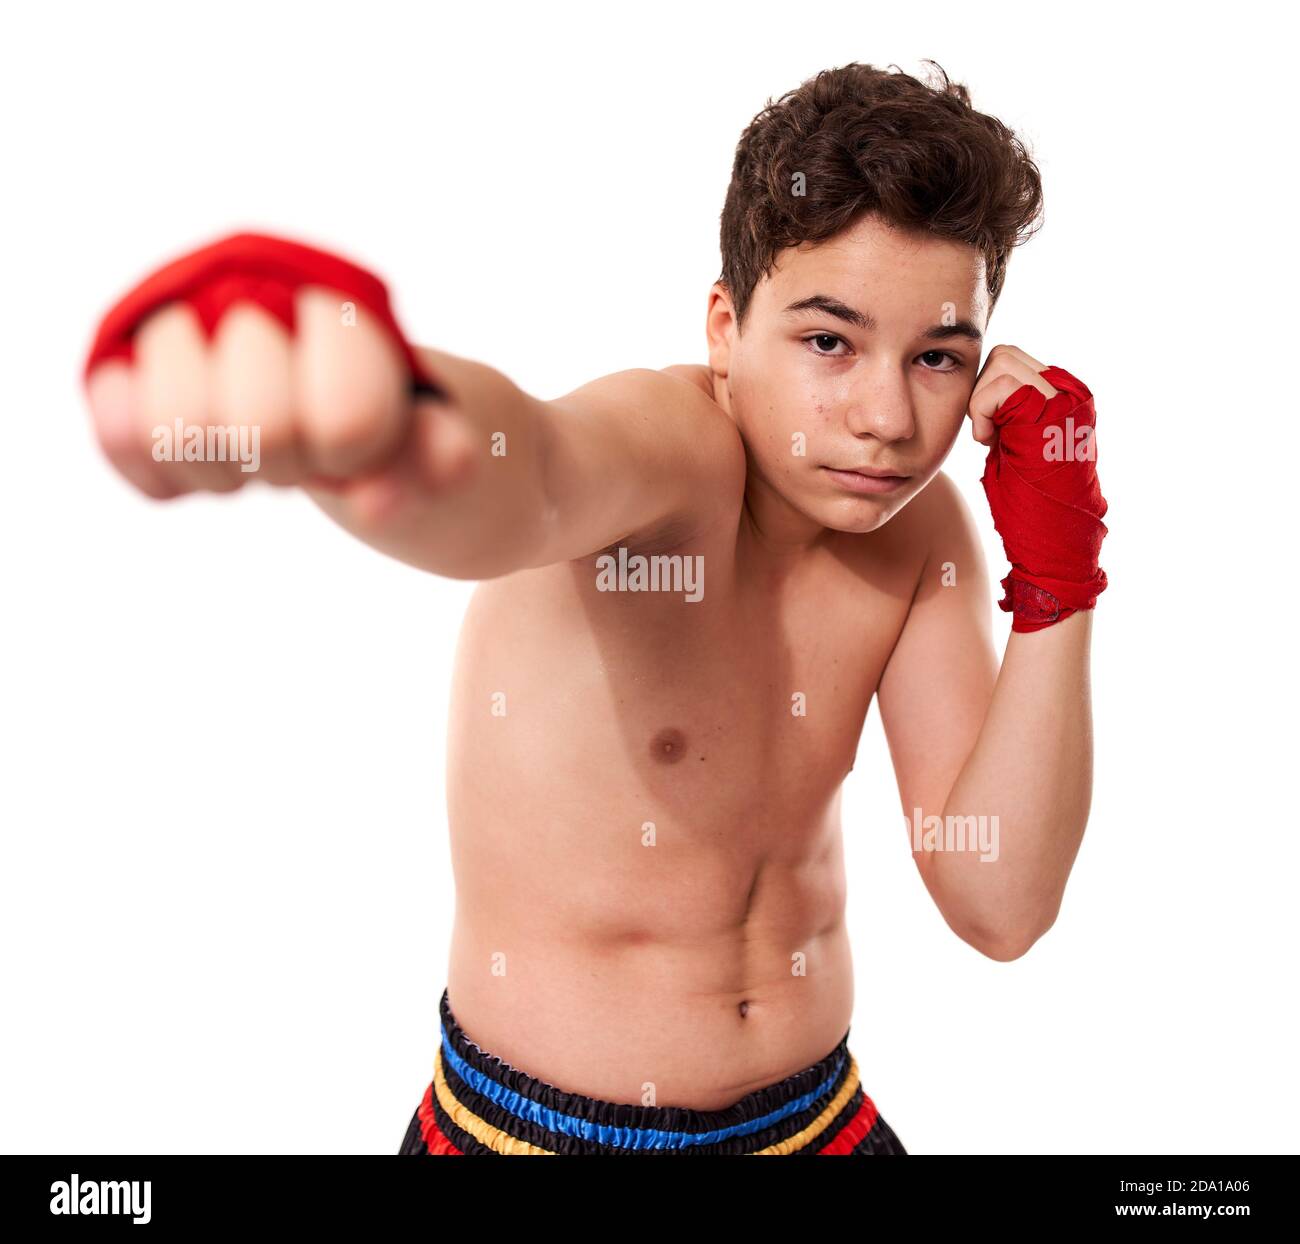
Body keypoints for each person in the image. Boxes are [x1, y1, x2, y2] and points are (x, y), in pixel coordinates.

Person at [81, 60, 1107, 1156]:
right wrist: (384, 415)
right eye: (827, 341)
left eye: (937, 357)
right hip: (536, 1135)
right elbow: (525, 466)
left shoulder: (917, 532)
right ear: (725, 327)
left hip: (820, 1124)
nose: (886, 416)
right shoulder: (672, 456)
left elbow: (998, 901)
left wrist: (1057, 578)